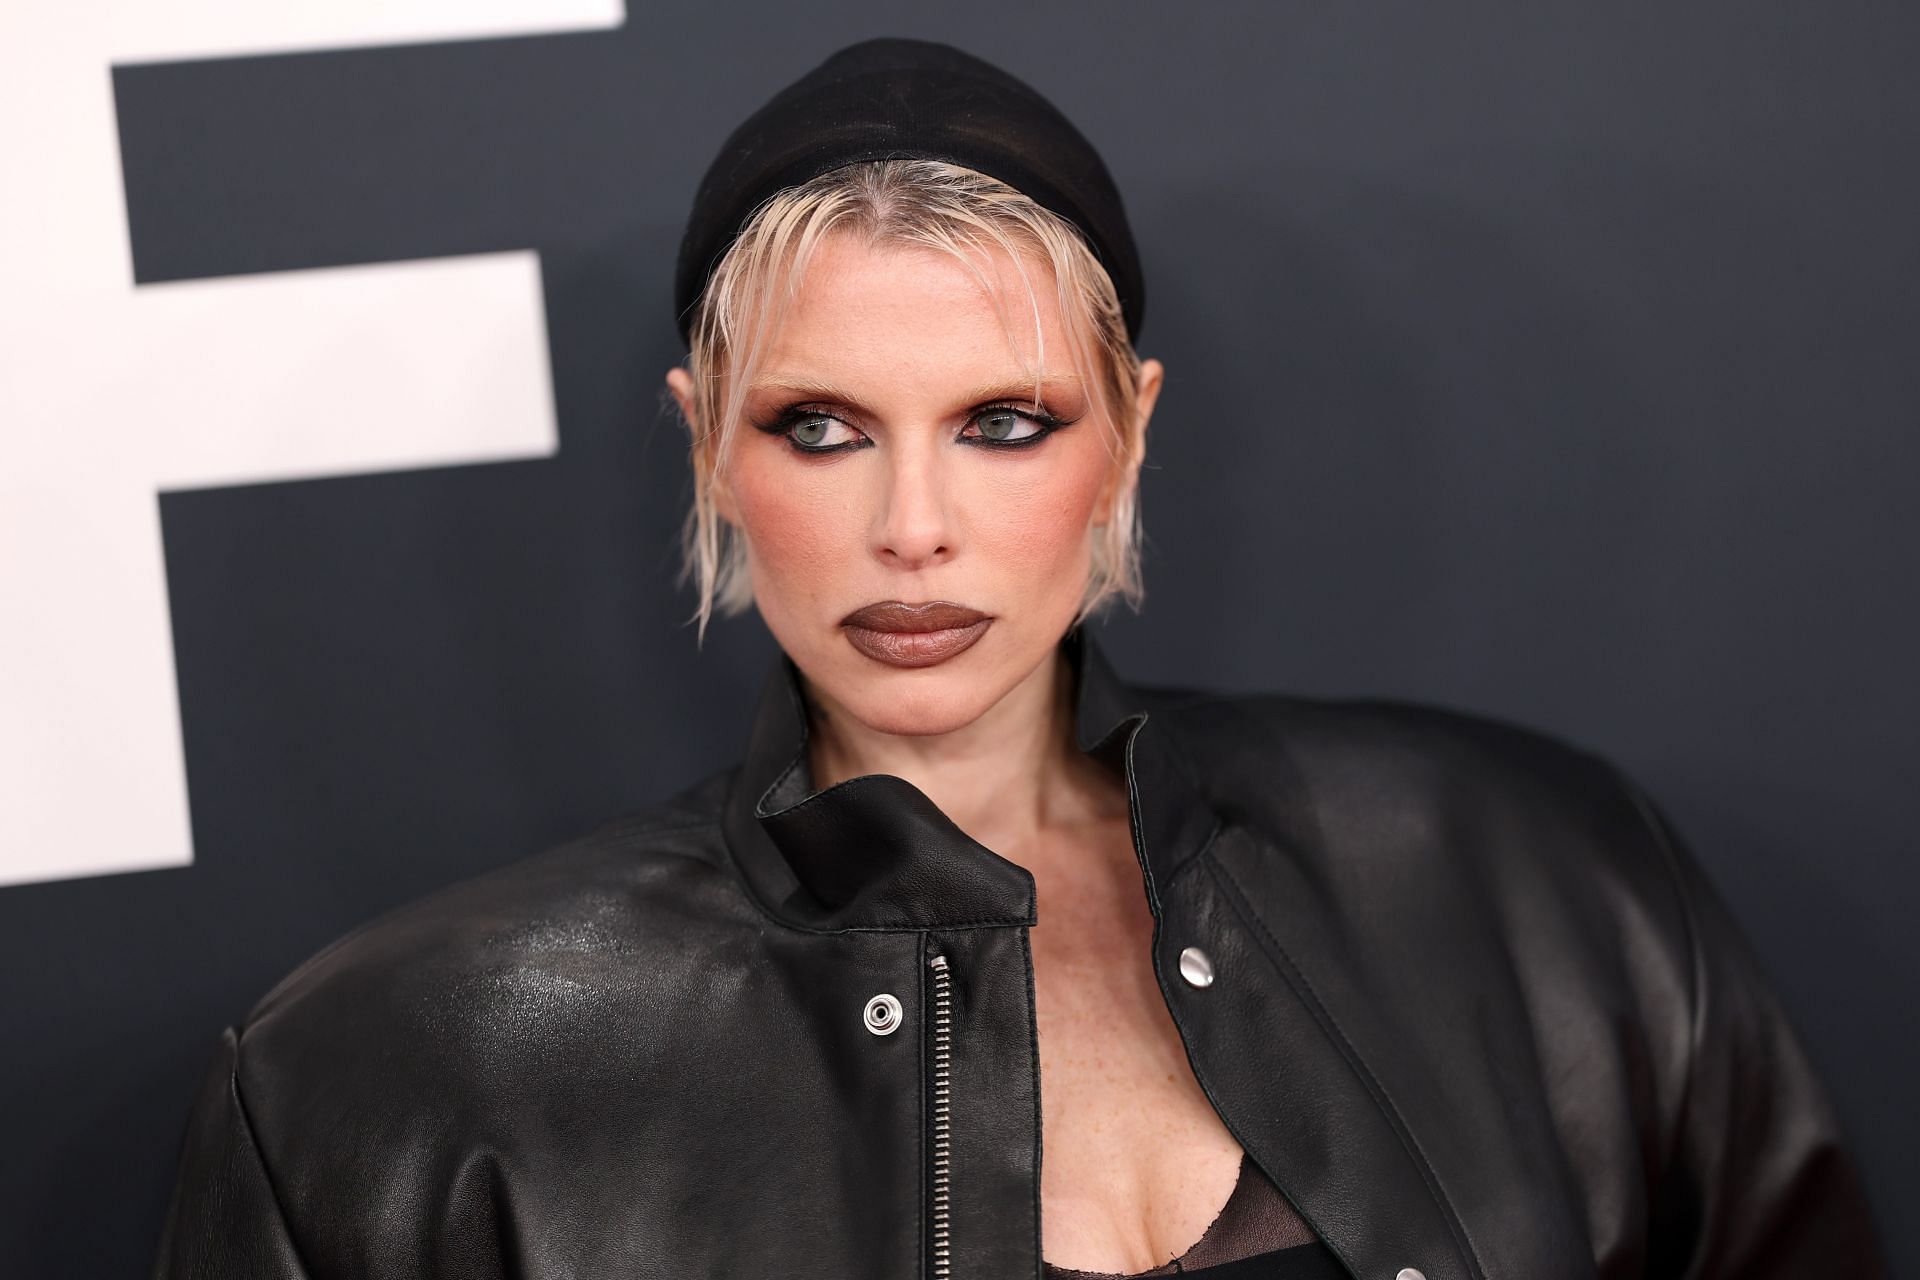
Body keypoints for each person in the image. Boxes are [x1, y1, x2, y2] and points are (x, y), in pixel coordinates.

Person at [151, 36, 1887, 1280]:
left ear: (1124, 436)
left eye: (1004, 421)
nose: (916, 525)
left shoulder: (1538, 877)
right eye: (821, 426)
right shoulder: (387, 1084)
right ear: (706, 449)